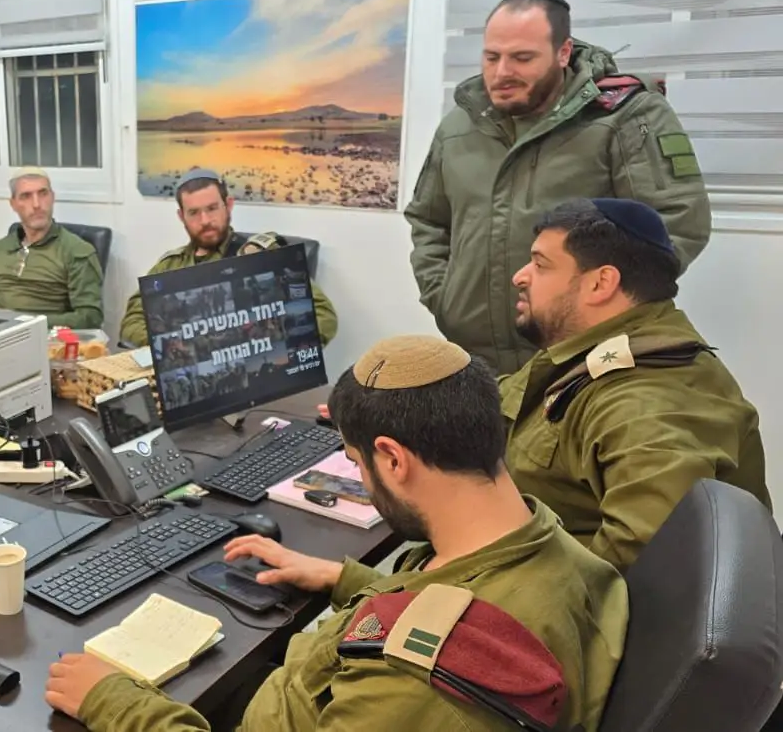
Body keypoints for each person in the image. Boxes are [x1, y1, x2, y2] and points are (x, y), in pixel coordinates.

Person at [45, 335, 627, 731]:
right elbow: (452, 605)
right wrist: (347, 578)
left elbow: (436, 648)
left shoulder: (424, 683)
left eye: (356, 461)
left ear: (393, 459)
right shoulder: (544, 540)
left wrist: (115, 703)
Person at [406, 0, 710, 375]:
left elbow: (678, 221)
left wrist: (592, 308)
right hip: (478, 362)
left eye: (522, 57)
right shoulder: (459, 126)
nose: (502, 72)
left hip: (583, 362)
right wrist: (445, 298)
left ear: (563, 52)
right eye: (491, 57)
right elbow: (429, 220)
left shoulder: (625, 116)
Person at [503, 197, 767, 570]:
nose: (520, 275)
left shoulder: (647, 398)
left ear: (601, 283)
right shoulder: (587, 351)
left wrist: (502, 595)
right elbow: (505, 404)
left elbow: (646, 562)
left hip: (577, 613)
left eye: (541, 264)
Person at [120, 168, 338, 347]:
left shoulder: (261, 255)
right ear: (181, 216)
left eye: (212, 208)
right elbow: (132, 322)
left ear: (229, 205)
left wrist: (267, 341)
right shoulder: (169, 265)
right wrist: (169, 345)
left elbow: (322, 316)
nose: (205, 220)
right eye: (194, 212)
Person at [0, 168, 105, 329]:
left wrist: (23, 322)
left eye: (43, 194)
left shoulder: (77, 252)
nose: (36, 204)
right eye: (26, 196)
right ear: (13, 204)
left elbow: (90, 317)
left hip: (38, 337)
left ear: (52, 197)